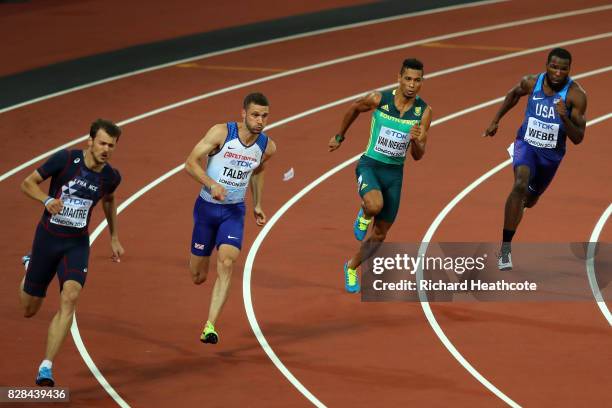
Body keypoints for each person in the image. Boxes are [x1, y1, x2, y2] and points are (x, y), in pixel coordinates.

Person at [19, 119, 124, 387]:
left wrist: (113, 236)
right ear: (89, 141)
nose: (106, 149)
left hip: (76, 244)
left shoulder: (110, 177)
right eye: (102, 143)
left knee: (71, 296)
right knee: (29, 308)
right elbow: (27, 183)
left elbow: (110, 200)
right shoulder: (65, 160)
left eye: (111, 145)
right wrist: (46, 200)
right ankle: (30, 265)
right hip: (47, 239)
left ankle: (46, 366)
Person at [328, 58, 432, 293]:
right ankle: (364, 213)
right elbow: (354, 107)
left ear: (422, 83)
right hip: (370, 165)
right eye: (408, 79)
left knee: (381, 234)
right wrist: (339, 136)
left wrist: (416, 141)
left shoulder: (423, 112)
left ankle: (352, 266)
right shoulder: (379, 99)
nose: (412, 84)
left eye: (417, 80)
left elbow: (418, 155)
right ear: (399, 78)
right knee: (374, 205)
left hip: (394, 175)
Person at [484, 47, 587, 271]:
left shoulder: (575, 96)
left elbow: (578, 138)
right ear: (546, 66)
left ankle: (519, 211)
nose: (558, 72)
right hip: (526, 144)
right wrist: (495, 120)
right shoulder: (532, 82)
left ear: (570, 69)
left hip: (551, 157)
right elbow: (513, 95)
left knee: (529, 200)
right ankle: (505, 249)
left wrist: (564, 117)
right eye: (553, 67)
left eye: (563, 68)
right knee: (520, 184)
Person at [185, 92, 276, 343]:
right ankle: (198, 256)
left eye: (265, 116)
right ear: (243, 113)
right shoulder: (220, 133)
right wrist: (211, 183)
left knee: (227, 263)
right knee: (198, 277)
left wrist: (257, 203)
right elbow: (190, 162)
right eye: (255, 115)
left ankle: (210, 326)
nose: (260, 121)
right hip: (206, 209)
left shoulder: (266, 146)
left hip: (234, 212)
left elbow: (257, 172)